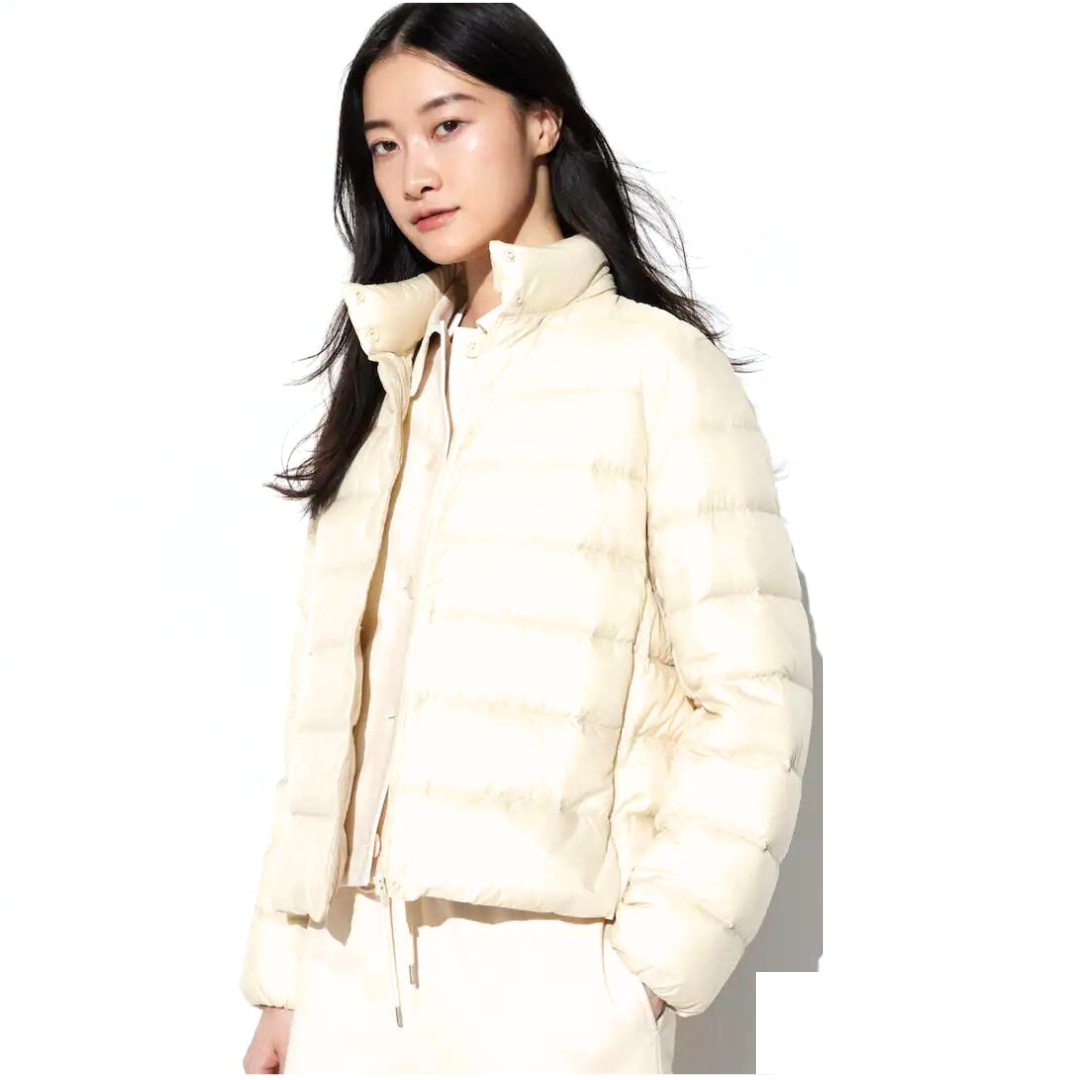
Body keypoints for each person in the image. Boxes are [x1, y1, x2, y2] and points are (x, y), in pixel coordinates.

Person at [239, 3, 813, 1074]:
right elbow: (330, 714)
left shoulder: (655, 367)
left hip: (552, 977)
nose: (415, 173)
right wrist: (285, 974)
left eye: (448, 125)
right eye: (383, 146)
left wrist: (651, 969)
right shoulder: (390, 380)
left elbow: (751, 692)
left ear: (542, 121)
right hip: (347, 970)